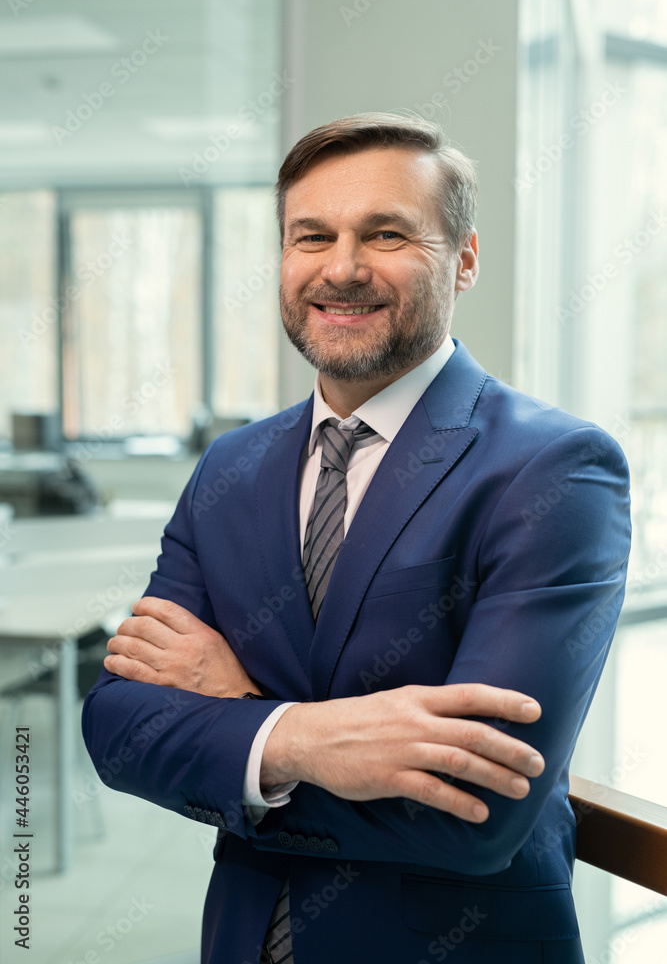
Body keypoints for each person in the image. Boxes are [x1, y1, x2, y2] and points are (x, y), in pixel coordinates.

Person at [82, 113, 631, 964]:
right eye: (312, 236)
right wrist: (305, 741)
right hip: (243, 936)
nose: (340, 268)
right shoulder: (231, 468)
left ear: (465, 258)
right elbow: (118, 729)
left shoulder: (553, 470)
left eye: (385, 233)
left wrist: (241, 721)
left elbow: (475, 812)